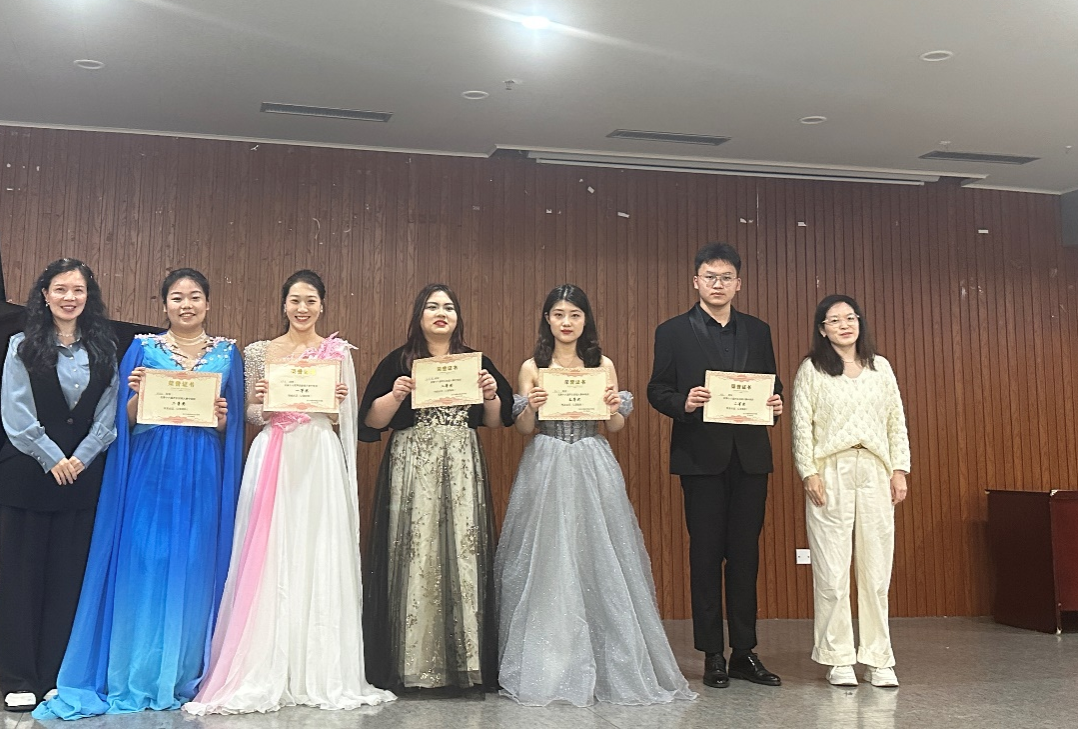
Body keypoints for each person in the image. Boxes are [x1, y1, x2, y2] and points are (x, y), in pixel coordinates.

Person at [34, 268, 245, 719]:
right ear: (163, 304)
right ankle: (139, 671)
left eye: (194, 297)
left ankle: (184, 673)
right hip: (152, 469)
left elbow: (233, 428)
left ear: (208, 303)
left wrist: (224, 418)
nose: (186, 305)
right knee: (144, 562)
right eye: (176, 297)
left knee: (194, 565)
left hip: (203, 470)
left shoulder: (228, 353)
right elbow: (120, 422)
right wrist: (135, 399)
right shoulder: (143, 349)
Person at [185, 270, 394, 713]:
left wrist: (337, 404)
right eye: (295, 300)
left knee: (318, 548)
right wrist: (263, 401)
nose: (303, 308)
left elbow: (342, 421)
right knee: (271, 550)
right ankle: (263, 662)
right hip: (274, 451)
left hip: (318, 455)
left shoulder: (338, 353)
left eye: (311, 301)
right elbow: (251, 414)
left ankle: (318, 669)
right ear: (284, 304)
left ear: (323, 306)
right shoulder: (259, 352)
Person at [496, 285, 696, 707]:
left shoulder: (602, 364)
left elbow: (616, 426)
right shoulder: (532, 366)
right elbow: (524, 429)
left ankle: (609, 660)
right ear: (547, 319)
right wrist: (530, 406)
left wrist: (611, 406)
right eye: (558, 314)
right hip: (547, 459)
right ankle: (550, 660)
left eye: (574, 314)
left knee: (599, 554)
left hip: (591, 457)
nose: (566, 322)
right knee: (547, 557)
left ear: (585, 320)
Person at [359, 283, 513, 694]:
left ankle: (465, 664)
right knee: (414, 553)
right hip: (413, 465)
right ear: (419, 315)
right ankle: (411, 662)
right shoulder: (399, 360)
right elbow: (372, 422)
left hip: (461, 464)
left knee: (463, 553)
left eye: (448, 307)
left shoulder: (475, 362)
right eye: (432, 306)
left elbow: (495, 420)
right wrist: (396, 394)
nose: (441, 313)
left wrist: (491, 394)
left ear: (458, 317)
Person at [0, 258, 120, 713]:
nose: (69, 297)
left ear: (88, 296)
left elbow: (108, 414)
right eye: (60, 289)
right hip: (27, 477)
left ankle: (53, 676)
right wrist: (53, 457)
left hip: (81, 479)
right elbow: (16, 413)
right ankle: (19, 678)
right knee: (20, 580)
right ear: (45, 295)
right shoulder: (21, 345)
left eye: (77, 290)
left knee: (67, 581)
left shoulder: (105, 347)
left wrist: (81, 457)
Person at [647, 241, 784, 689]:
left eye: (726, 278)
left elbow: (773, 384)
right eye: (710, 277)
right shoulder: (672, 331)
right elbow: (657, 389)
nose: (718, 284)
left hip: (750, 458)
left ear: (738, 284)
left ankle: (744, 652)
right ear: (696, 282)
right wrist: (684, 403)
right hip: (700, 458)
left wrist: (776, 403)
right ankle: (712, 655)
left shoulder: (758, 330)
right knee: (706, 556)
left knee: (745, 556)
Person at [791, 294, 910, 688]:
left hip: (875, 470)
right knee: (831, 570)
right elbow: (801, 425)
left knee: (876, 571)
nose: (844, 325)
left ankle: (878, 658)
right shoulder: (812, 369)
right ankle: (838, 656)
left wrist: (899, 470)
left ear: (860, 322)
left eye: (850, 317)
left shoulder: (881, 368)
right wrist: (809, 472)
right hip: (831, 470)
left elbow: (896, 423)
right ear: (822, 329)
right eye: (834, 320)